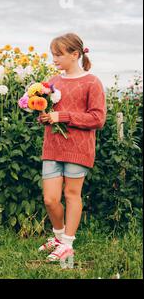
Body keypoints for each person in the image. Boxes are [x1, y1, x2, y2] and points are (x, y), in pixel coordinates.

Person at [38, 33, 106, 263]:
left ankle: (67, 244)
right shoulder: (52, 81)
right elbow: (49, 112)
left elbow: (98, 119)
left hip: (78, 148)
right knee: (50, 199)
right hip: (53, 146)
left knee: (71, 194)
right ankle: (58, 237)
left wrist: (63, 116)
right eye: (53, 54)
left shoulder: (91, 82)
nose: (54, 59)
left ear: (75, 54)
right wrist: (44, 114)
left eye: (59, 54)